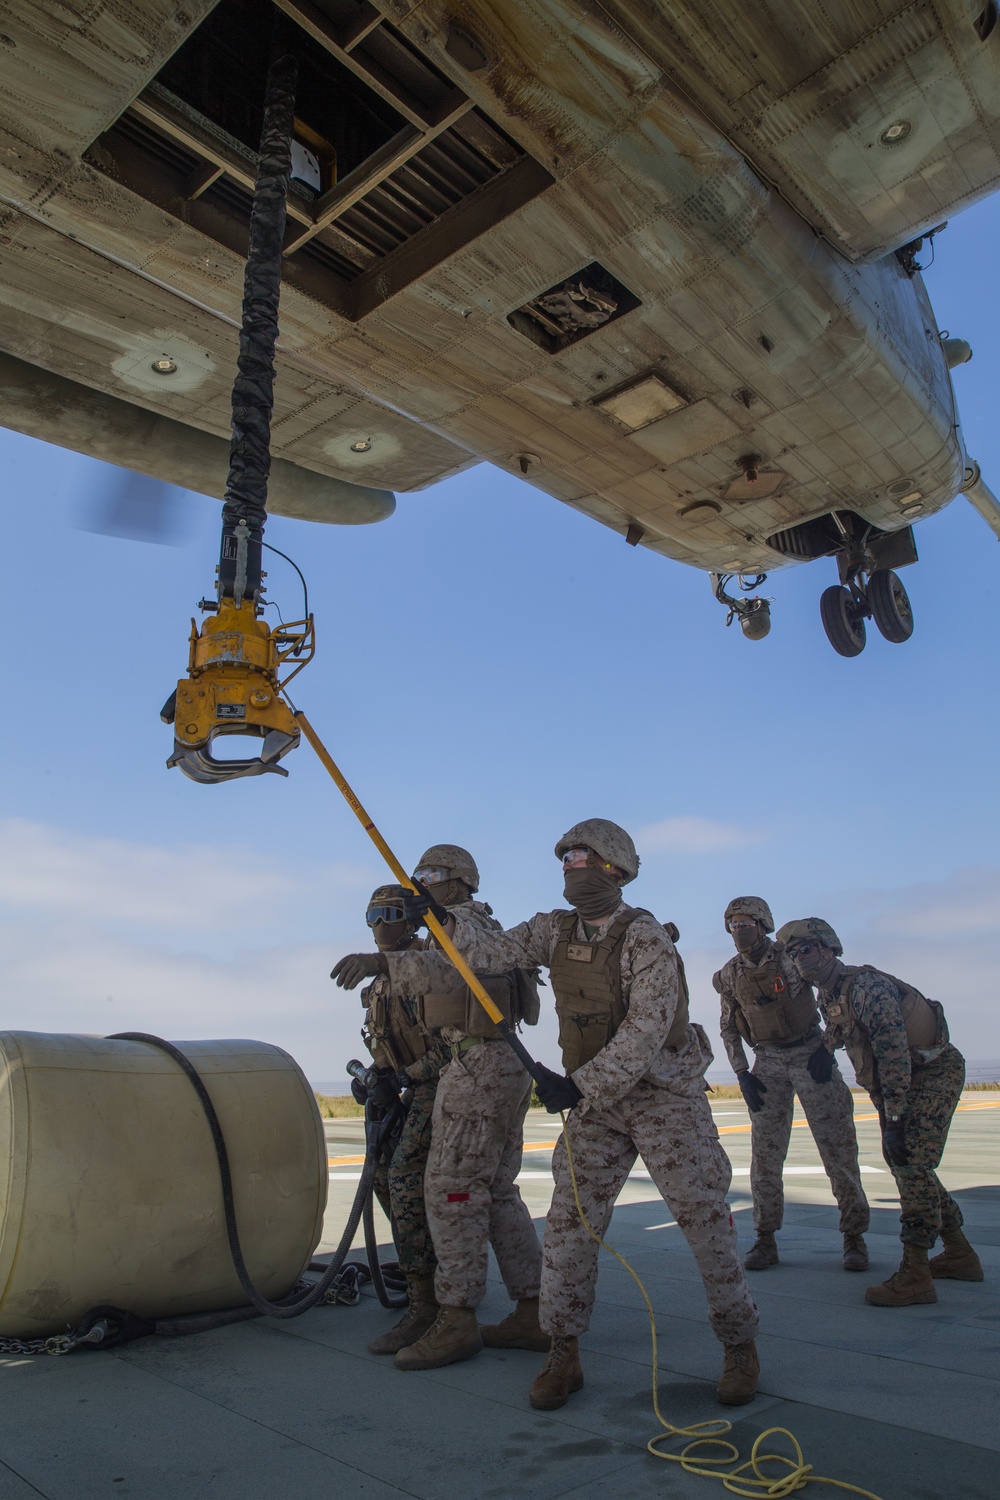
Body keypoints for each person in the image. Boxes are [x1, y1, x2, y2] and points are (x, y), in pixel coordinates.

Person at [447, 820, 760, 1410]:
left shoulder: (645, 939)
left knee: (704, 1223)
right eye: (564, 857)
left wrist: (578, 1085)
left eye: (582, 856)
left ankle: (740, 1345)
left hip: (662, 1098)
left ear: (614, 868)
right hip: (595, 1106)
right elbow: (489, 951)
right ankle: (562, 1350)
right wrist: (449, 913)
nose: (570, 865)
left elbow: (644, 1031)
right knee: (568, 1227)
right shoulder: (554, 930)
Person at [332, 845, 544, 1370]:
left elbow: (456, 960)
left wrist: (383, 961)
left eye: (430, 875)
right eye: (418, 875)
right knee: (494, 1192)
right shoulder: (455, 927)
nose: (420, 883)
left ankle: (455, 1318)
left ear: (459, 883)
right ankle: (534, 1309)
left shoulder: (467, 925)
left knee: (449, 1189)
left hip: (478, 1064)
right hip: (485, 1063)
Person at [776, 918, 983, 1305]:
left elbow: (892, 1053)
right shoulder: (830, 993)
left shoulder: (867, 987)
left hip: (928, 1074)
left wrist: (895, 1117)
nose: (800, 958)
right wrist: (824, 1047)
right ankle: (959, 1253)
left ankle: (916, 1273)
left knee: (910, 1164)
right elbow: (840, 1028)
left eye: (807, 949)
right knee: (911, 1163)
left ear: (829, 948)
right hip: (896, 1085)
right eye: (792, 952)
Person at [713, 897, 869, 1272]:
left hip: (808, 1052)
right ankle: (765, 1239)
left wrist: (827, 1046)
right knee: (765, 1158)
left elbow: (834, 996)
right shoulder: (731, 973)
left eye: (747, 922)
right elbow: (729, 1027)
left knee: (837, 1149)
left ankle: (854, 1237)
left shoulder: (791, 957)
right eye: (733, 924)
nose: (740, 929)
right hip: (767, 1062)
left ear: (764, 923)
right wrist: (741, 1074)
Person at [336, 883, 450, 1354]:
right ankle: (427, 1278)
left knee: (404, 1175)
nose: (380, 925)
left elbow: (452, 1046)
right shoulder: (378, 987)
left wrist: (402, 1077)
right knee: (383, 1174)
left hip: (441, 1087)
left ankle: (429, 1304)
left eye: (389, 914)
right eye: (372, 917)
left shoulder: (429, 968)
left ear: (412, 921)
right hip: (409, 1089)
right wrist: (376, 1078)